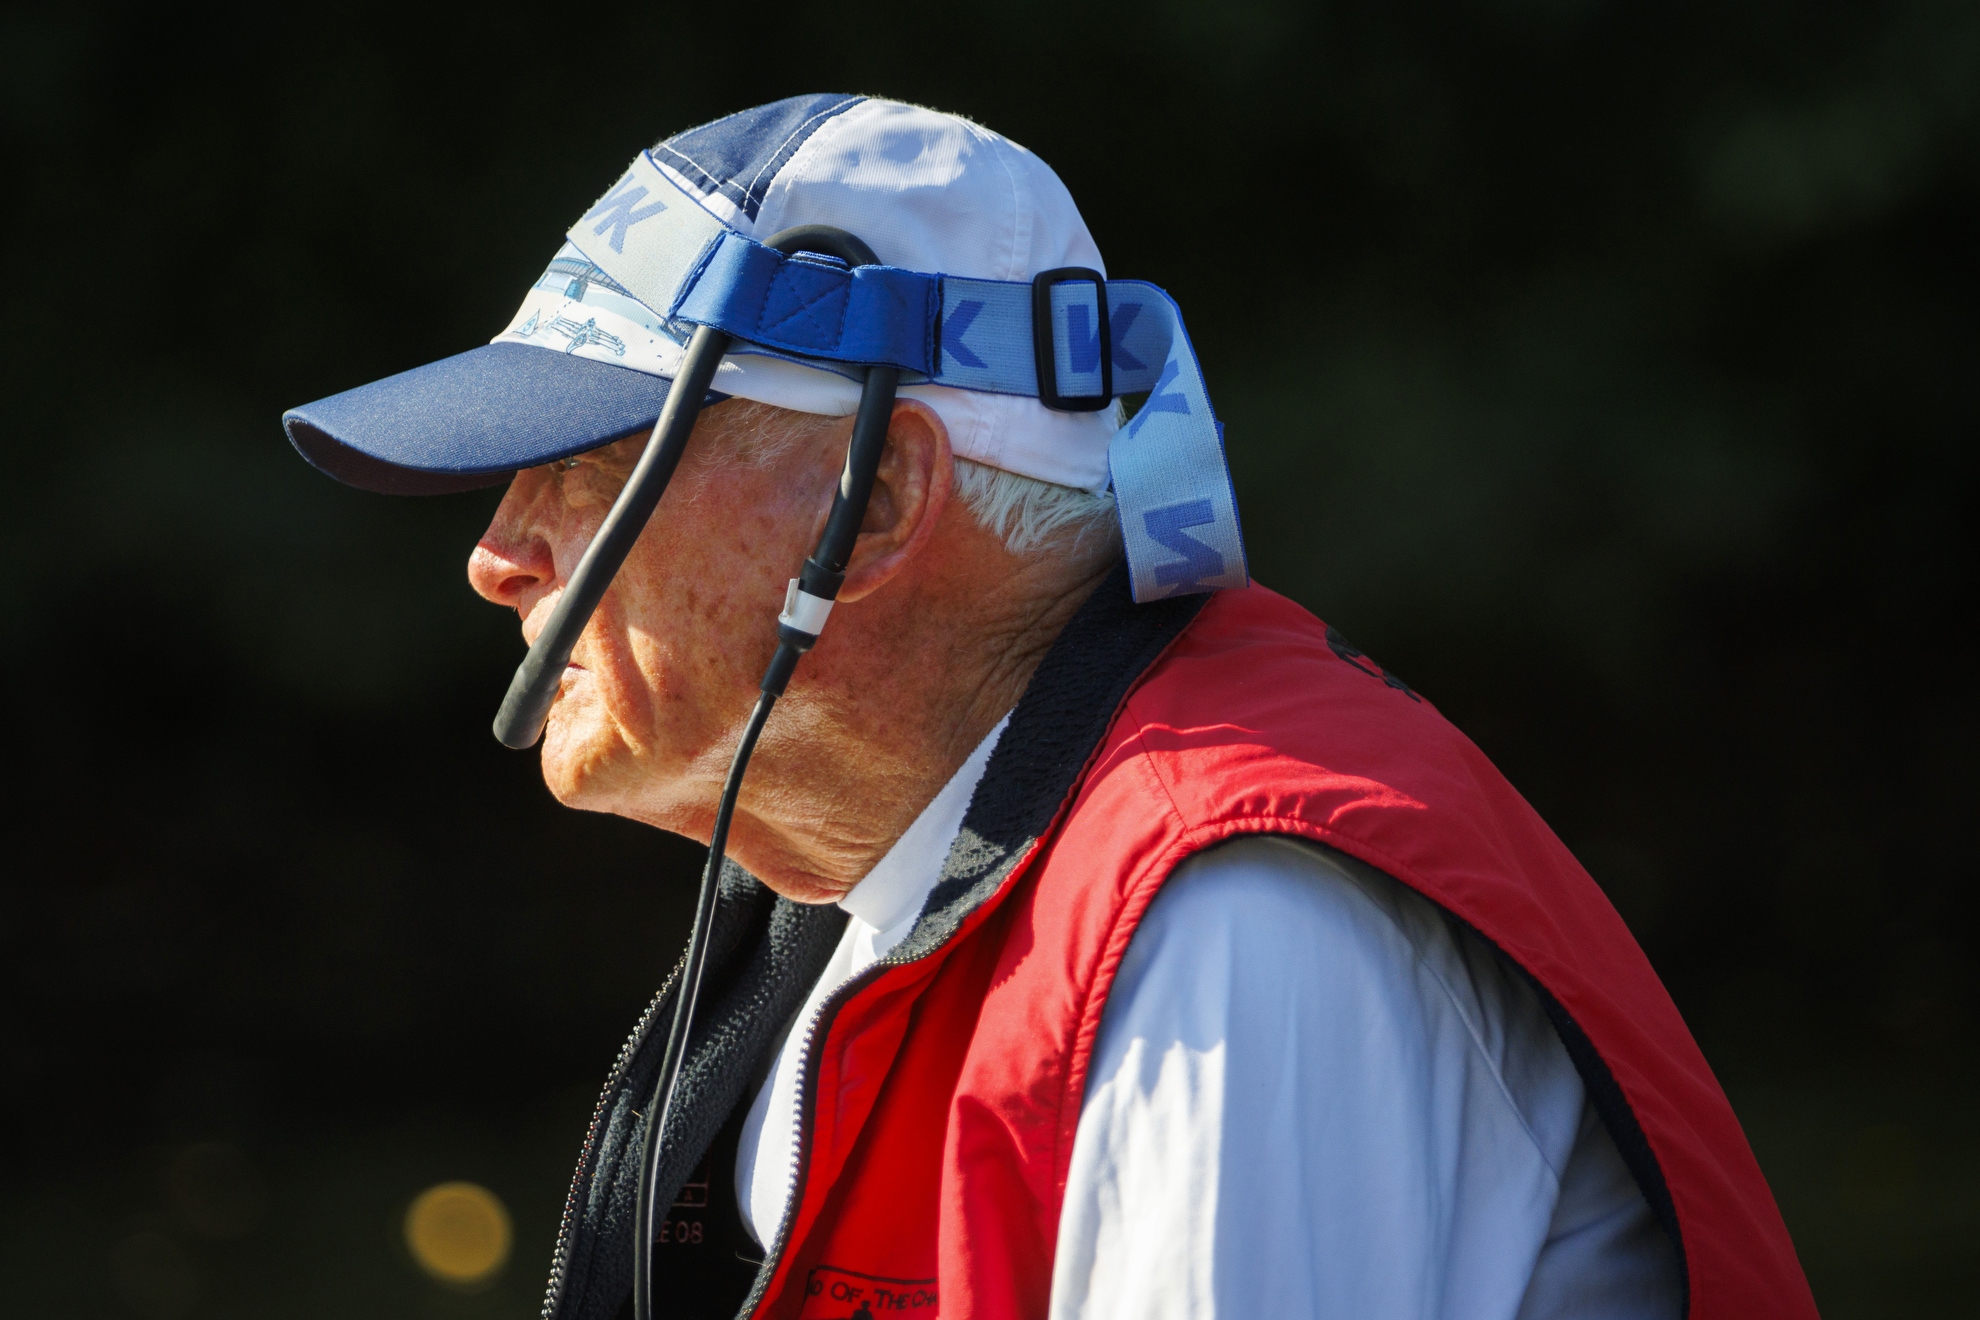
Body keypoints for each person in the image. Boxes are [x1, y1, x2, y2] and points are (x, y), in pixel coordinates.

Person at [282, 96, 1817, 1319]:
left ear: (872, 504)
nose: (497, 557)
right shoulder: (871, 892)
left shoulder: (1233, 931)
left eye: (595, 464)